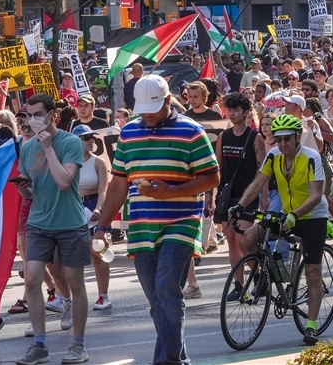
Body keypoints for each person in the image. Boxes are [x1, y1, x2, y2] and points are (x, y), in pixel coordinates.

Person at [91, 75, 221, 364]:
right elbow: (119, 184)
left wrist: (172, 192)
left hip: (182, 221)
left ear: (167, 100)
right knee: (157, 300)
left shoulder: (191, 131)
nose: (147, 115)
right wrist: (101, 228)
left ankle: (168, 361)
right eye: (143, 110)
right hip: (141, 226)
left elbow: (212, 177)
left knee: (165, 288)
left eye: (153, 108)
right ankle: (180, 358)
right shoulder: (128, 133)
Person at [231, 114, 330, 345]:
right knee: (249, 239)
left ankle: (312, 326)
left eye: (287, 139)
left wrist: (295, 215)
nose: (283, 144)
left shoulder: (311, 157)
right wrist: (240, 205)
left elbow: (317, 195)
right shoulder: (274, 155)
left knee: (313, 272)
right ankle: (266, 278)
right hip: (287, 214)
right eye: (278, 140)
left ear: (297, 137)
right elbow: (257, 183)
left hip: (312, 215)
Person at [11, 93, 91, 365]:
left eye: (37, 115)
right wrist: (24, 188)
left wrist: (48, 149)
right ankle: (40, 344)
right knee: (32, 279)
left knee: (74, 283)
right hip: (39, 224)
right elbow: (31, 191)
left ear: (51, 115)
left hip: (70, 223)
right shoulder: (26, 147)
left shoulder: (70, 142)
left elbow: (64, 181)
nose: (31, 120)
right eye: (28, 115)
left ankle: (78, 345)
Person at [213, 92, 263, 300]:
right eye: (229, 110)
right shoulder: (223, 137)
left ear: (246, 113)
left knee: (243, 240)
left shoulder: (255, 137)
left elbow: (262, 170)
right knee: (231, 240)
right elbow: (218, 168)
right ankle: (238, 285)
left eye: (236, 110)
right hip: (227, 195)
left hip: (248, 194)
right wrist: (211, 195)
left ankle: (259, 277)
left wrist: (264, 196)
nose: (232, 114)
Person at [71, 124, 113, 311]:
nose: (91, 140)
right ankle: (68, 296)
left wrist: (99, 207)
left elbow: (104, 189)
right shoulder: (69, 161)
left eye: (92, 137)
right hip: (73, 206)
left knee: (98, 252)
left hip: (92, 204)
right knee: (70, 254)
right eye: (86, 138)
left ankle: (103, 296)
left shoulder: (98, 162)